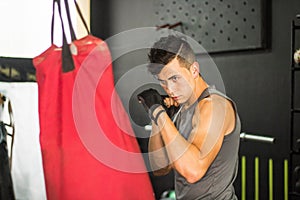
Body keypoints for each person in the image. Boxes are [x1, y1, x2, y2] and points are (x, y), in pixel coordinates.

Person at [137, 35, 241, 200]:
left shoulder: (214, 106)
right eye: (163, 82)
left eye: (174, 78)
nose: (169, 89)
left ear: (194, 70)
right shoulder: (182, 108)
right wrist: (157, 117)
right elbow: (160, 167)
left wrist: (159, 114)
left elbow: (194, 171)